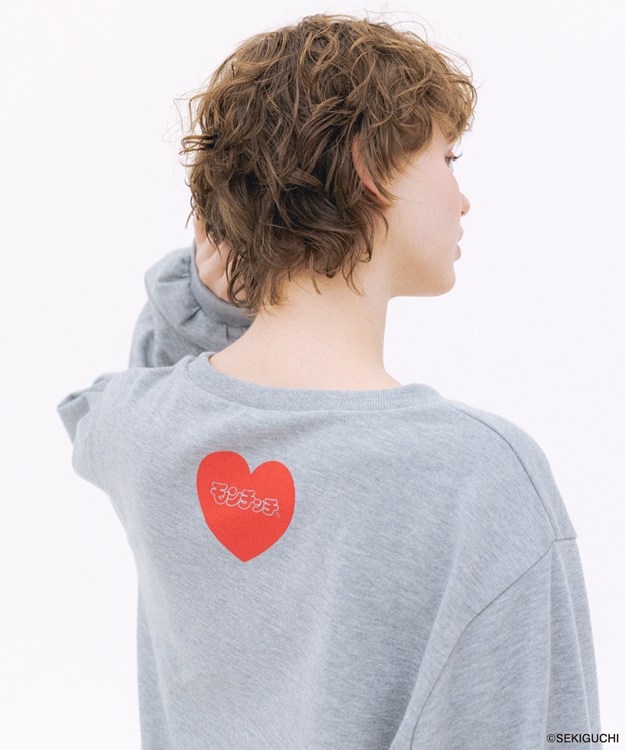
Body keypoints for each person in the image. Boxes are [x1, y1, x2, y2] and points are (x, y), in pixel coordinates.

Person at [57, 13, 602, 749]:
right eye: (448, 158)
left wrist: (208, 305)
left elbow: (143, 389)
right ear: (369, 165)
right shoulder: (478, 475)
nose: (463, 197)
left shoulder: (143, 431)